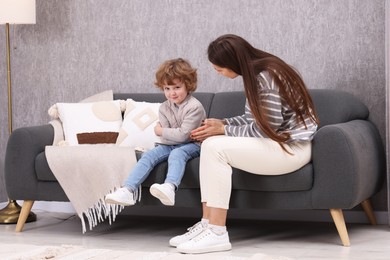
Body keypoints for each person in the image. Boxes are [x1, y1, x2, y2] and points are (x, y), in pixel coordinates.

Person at [171, 34, 319, 254]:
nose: (218, 73)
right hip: (279, 143)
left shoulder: (266, 77)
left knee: (214, 146)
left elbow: (266, 130)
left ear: (232, 62)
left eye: (219, 69)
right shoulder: (259, 72)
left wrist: (223, 130)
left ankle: (217, 232)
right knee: (212, 141)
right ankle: (207, 224)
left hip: (290, 148)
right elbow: (255, 119)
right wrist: (224, 122)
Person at [105, 58, 206, 207]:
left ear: (188, 85)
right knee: (149, 155)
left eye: (177, 87)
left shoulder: (194, 107)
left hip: (193, 144)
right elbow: (169, 136)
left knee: (177, 154)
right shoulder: (164, 107)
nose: (172, 93)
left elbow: (184, 135)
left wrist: (161, 130)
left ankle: (170, 187)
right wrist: (168, 133)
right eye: (167, 88)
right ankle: (127, 190)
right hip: (172, 144)